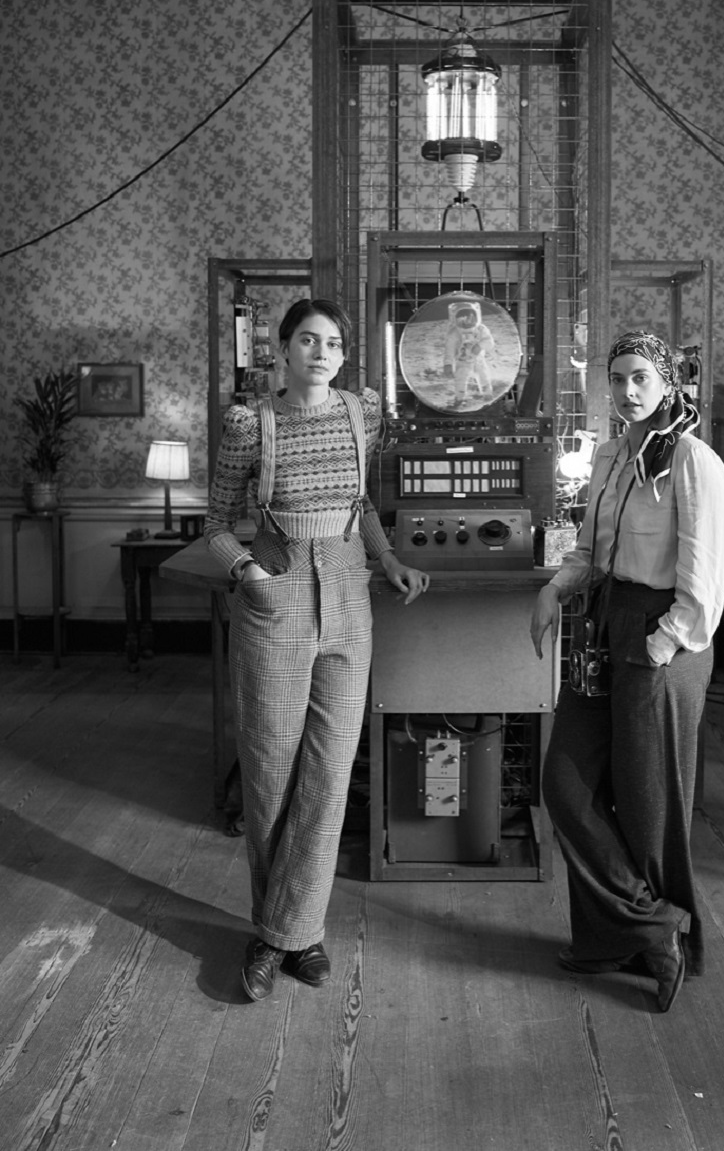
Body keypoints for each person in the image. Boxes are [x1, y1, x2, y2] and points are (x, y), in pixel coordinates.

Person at [205, 297, 429, 1002]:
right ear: (282, 348)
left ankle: (285, 934)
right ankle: (288, 934)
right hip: (278, 597)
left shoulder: (361, 413)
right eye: (308, 340)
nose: (322, 352)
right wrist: (249, 576)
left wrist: (387, 559)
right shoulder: (252, 423)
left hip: (350, 594)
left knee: (331, 772)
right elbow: (216, 523)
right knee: (271, 769)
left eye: (333, 342)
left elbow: (361, 505)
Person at [530, 330, 724, 1012]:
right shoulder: (613, 454)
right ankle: (650, 927)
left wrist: (662, 643)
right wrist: (553, 590)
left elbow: (704, 582)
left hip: (659, 638)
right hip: (603, 625)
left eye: (641, 377)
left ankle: (628, 941)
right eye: (616, 380)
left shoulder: (693, 461)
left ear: (668, 382)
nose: (627, 392)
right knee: (565, 783)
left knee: (646, 802)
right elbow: (589, 549)